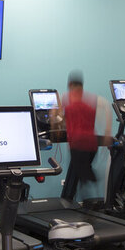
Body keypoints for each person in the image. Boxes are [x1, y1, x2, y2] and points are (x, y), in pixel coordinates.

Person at [53, 71, 111, 201]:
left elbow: (54, 114)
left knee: (82, 176)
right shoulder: (92, 98)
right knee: (78, 172)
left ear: (70, 84)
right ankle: (75, 196)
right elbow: (107, 106)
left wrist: (55, 129)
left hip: (77, 143)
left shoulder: (66, 97)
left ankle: (85, 196)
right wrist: (107, 131)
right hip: (92, 144)